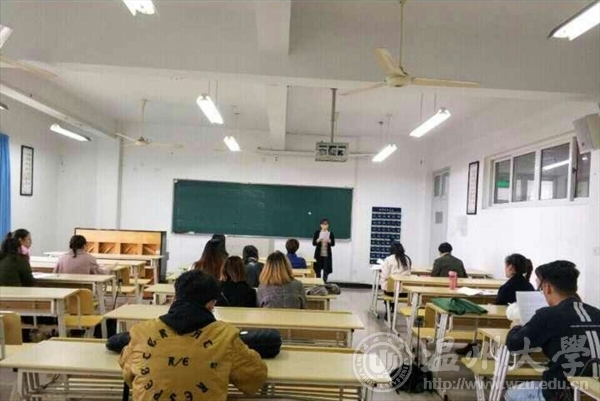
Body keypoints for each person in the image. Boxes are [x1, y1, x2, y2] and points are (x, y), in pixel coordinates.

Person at [119, 270, 268, 401]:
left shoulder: (141, 332)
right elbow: (256, 377)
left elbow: (128, 375)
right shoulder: (226, 336)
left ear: (175, 297)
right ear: (211, 304)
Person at [504, 261, 600, 401]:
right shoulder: (596, 313)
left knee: (511, 394)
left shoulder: (548, 315)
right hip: (594, 392)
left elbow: (514, 345)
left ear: (547, 287)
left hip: (562, 394)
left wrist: (515, 327)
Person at [312, 218, 335, 282]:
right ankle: (318, 282)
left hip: (327, 255)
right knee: (318, 269)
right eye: (323, 224)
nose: (325, 226)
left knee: (326, 269)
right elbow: (314, 243)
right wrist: (319, 239)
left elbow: (333, 244)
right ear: (321, 225)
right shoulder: (317, 233)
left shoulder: (330, 233)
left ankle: (324, 282)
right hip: (318, 254)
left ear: (328, 225)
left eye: (326, 224)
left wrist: (329, 241)